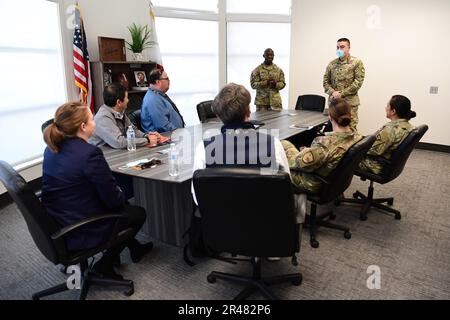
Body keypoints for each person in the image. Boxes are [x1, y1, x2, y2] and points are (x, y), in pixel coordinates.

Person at [42, 102, 154, 279]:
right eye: (92, 119)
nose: (95, 123)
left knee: (122, 202)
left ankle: (134, 247)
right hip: (80, 227)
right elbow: (113, 201)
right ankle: (105, 265)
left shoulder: (51, 148)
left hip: (57, 218)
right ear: (83, 126)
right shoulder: (89, 153)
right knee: (136, 213)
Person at [192, 83, 305, 223]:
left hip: (222, 229)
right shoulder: (273, 144)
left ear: (219, 117)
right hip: (267, 227)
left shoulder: (203, 149)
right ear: (248, 111)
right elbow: (287, 190)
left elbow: (198, 198)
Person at [282, 98, 363, 193]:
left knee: (282, 145)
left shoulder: (324, 144)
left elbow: (299, 164)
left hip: (313, 182)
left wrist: (284, 152)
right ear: (350, 115)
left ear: (330, 117)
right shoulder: (357, 137)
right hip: (333, 178)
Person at [89, 83, 160, 149]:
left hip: (117, 153)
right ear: (119, 102)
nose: (128, 100)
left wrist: (147, 136)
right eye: (126, 98)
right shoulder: (103, 118)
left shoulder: (119, 111)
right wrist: (147, 140)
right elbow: (119, 142)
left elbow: (133, 131)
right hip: (103, 156)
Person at [359, 95, 417, 175]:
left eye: (387, 106)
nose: (385, 108)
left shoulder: (390, 130)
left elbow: (372, 150)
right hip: (388, 163)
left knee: (343, 156)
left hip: (375, 165)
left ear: (393, 111)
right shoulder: (408, 126)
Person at [323, 38, 365, 132]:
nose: (339, 49)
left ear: (349, 48)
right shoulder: (332, 64)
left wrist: (341, 94)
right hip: (334, 104)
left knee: (350, 129)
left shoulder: (356, 62)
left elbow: (358, 82)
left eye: (342, 47)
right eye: (337, 47)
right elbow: (325, 82)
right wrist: (333, 92)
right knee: (334, 130)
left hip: (349, 104)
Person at [140, 68, 185, 133]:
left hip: (174, 136)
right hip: (166, 139)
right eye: (166, 79)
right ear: (158, 82)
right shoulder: (153, 100)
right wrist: (180, 133)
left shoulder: (158, 95)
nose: (169, 81)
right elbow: (162, 126)